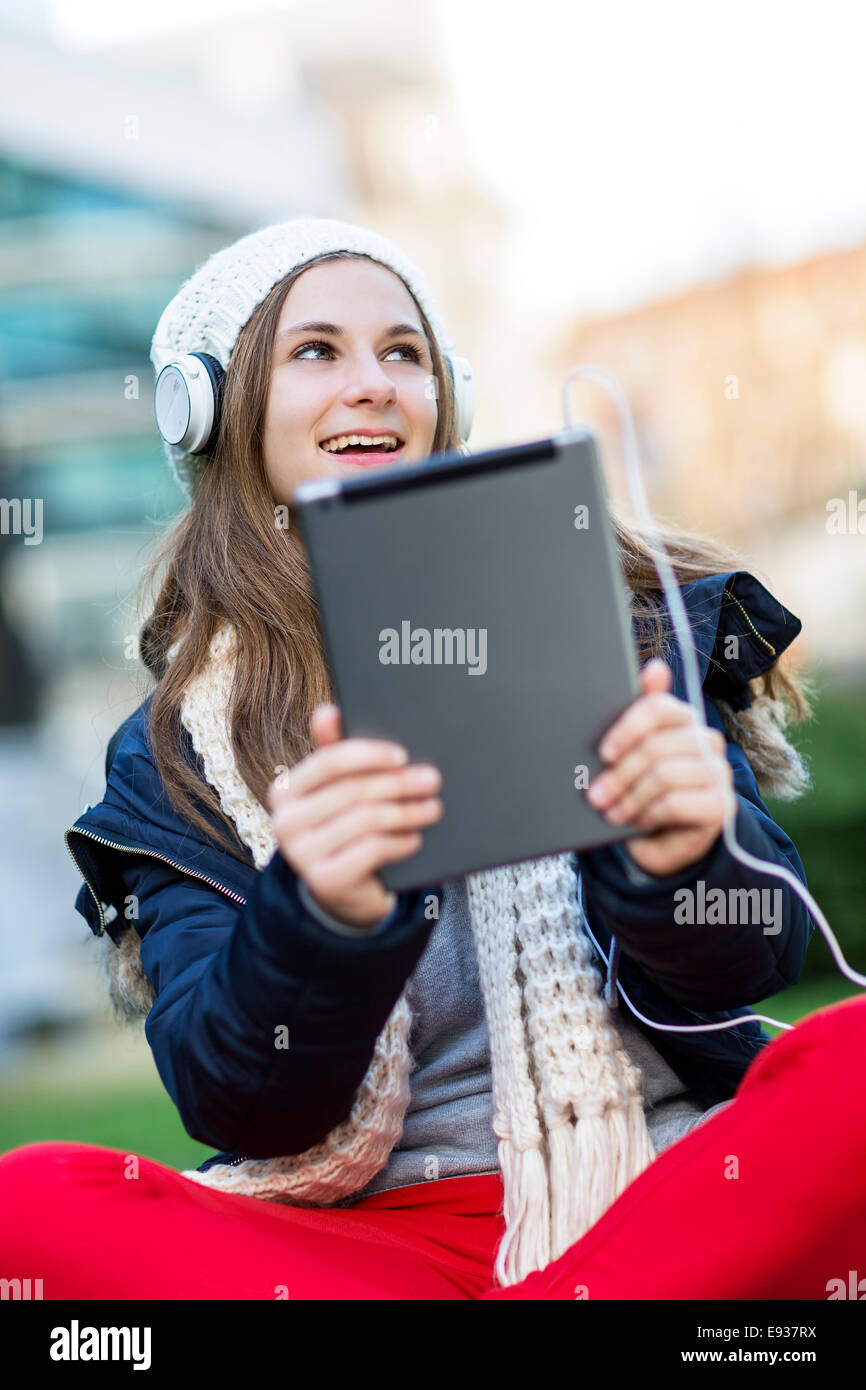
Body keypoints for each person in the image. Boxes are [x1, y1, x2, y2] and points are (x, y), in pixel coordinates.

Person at [2, 216, 864, 1302]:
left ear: (442, 392)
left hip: (656, 1182)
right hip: (375, 1244)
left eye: (401, 352)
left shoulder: (626, 626)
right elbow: (236, 1099)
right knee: (31, 1206)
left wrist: (685, 857)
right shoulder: (176, 751)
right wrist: (317, 915)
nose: (371, 383)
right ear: (212, 408)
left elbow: (746, 966)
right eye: (315, 350)